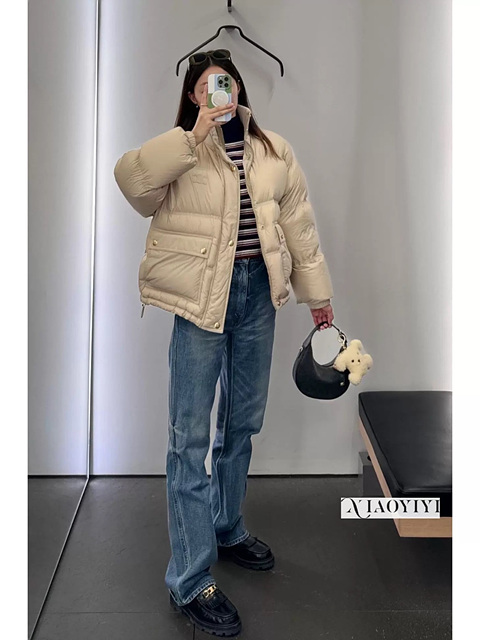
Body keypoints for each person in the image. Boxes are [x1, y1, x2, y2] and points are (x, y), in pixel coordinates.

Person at [114, 49, 335, 637]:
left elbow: (298, 223)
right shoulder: (181, 150)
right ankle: (190, 579)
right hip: (201, 300)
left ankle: (227, 525)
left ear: (240, 89)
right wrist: (193, 136)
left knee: (242, 424)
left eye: (228, 82)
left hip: (258, 293)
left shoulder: (272, 149)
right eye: (209, 84)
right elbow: (132, 182)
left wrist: (318, 297)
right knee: (188, 440)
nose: (222, 91)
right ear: (193, 95)